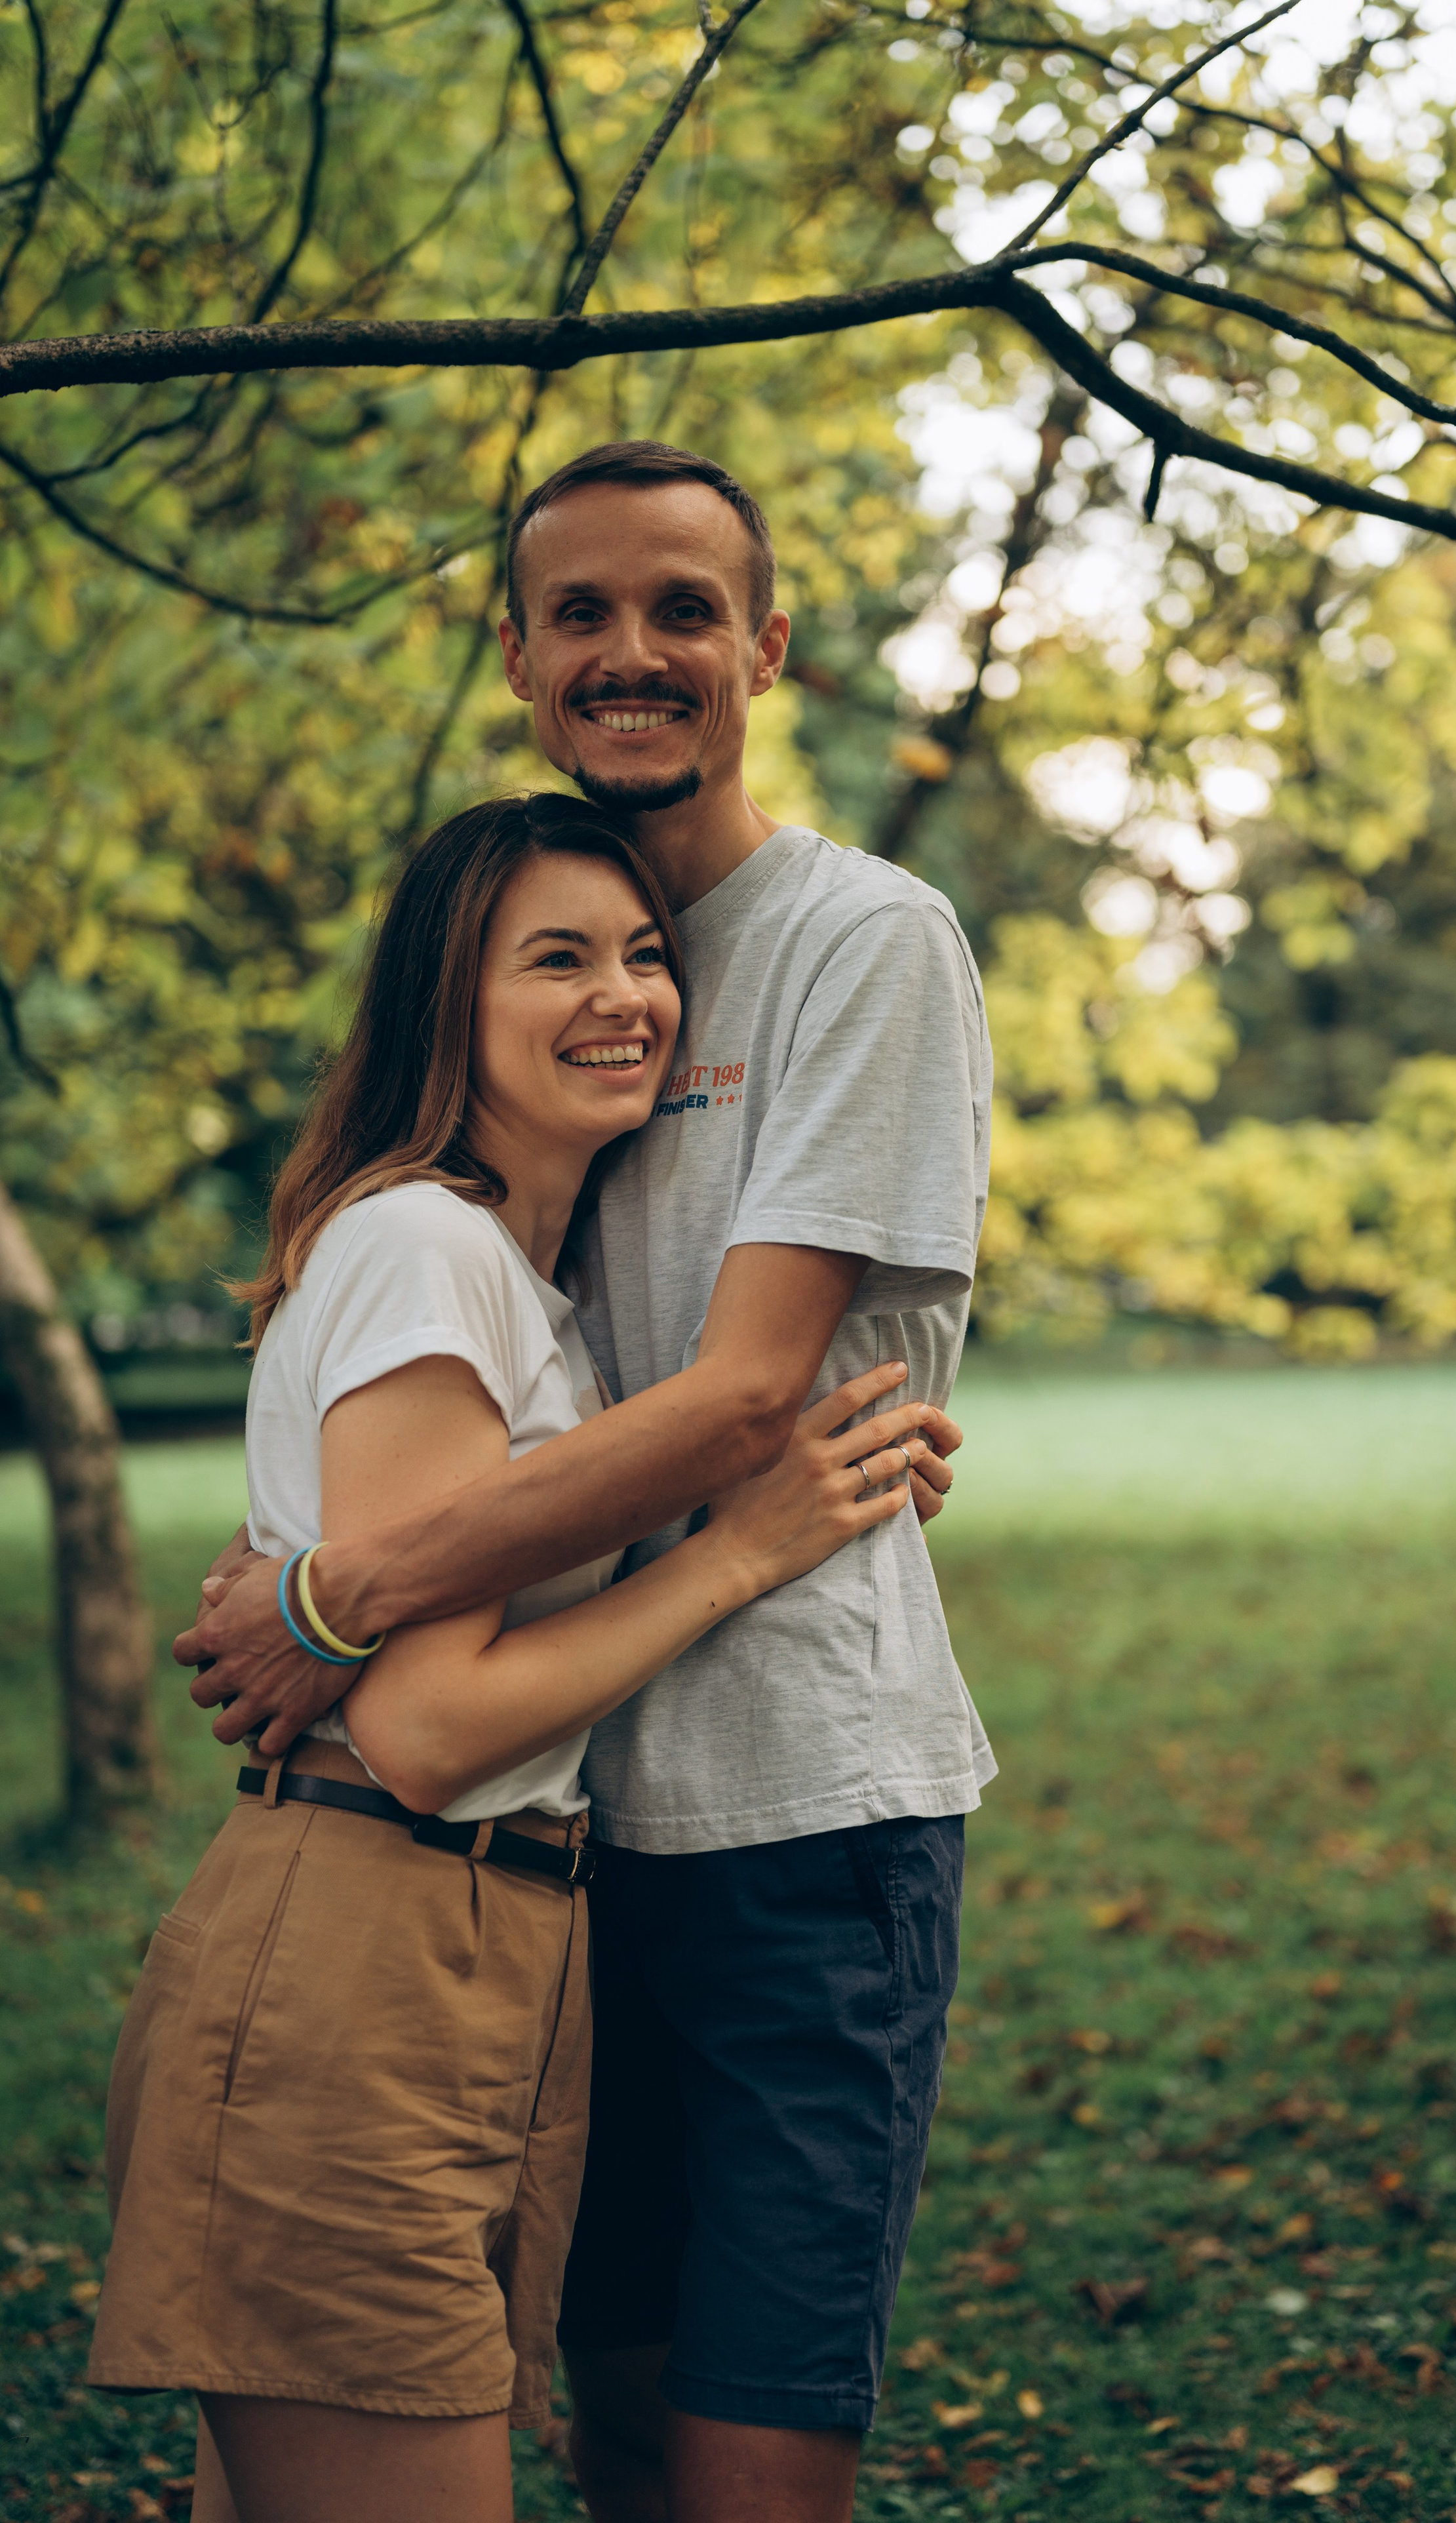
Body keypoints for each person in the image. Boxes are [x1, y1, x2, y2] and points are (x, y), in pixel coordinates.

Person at [176, 441, 995, 2523]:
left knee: (746, 2450)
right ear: (520, 654)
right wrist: (353, 1568)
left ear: (768, 648)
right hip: (557, 1836)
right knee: (610, 2420)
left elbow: (748, 1397)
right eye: (585, 613)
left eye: (685, 609)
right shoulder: (544, 1010)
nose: (635, 652)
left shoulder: (861, 940)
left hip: (800, 1817)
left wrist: (337, 1597)